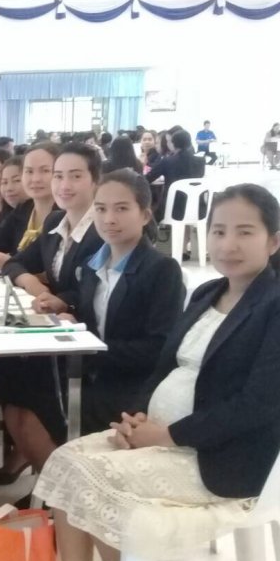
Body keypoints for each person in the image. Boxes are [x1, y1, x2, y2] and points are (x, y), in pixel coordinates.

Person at [21, 184, 280, 561]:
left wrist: (169, 434)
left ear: (273, 241)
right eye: (219, 231)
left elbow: (257, 405)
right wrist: (136, 418)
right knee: (64, 461)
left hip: (225, 457)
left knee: (94, 478)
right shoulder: (208, 292)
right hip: (161, 436)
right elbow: (164, 367)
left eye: (245, 232)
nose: (228, 244)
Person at [0, 143, 104, 479]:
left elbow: (92, 290)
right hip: (54, 324)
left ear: (95, 180)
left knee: (27, 378)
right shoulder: (56, 222)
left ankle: (56, 483)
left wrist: (62, 299)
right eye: (59, 176)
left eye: (75, 176)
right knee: (4, 367)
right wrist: (35, 285)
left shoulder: (102, 229)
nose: (63, 185)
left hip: (86, 334)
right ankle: (40, 468)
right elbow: (14, 264)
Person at [66, 169, 185, 434]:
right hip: (92, 377)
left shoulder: (162, 270)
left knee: (51, 405)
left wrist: (91, 350)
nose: (109, 219)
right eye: (100, 209)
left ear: (145, 215)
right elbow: (91, 321)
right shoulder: (91, 266)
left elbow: (159, 347)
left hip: (133, 387)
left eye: (121, 209)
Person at [0, 143, 60, 272]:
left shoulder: (63, 216)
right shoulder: (24, 209)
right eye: (29, 171)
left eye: (45, 171)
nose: (35, 179)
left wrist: (10, 263)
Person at [147, 129, 205, 221]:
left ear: (173, 144)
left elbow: (148, 178)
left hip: (172, 209)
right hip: (198, 209)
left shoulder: (167, 161)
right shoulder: (201, 161)